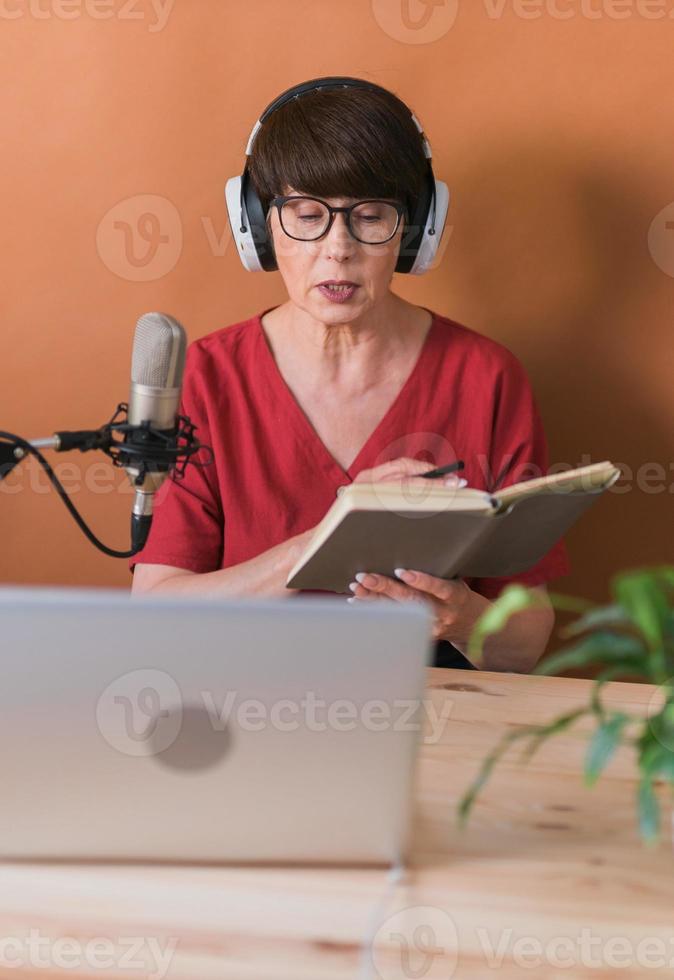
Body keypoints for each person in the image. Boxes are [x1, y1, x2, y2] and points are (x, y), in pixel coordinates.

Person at [130, 78, 570, 672]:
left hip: (428, 721)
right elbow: (156, 618)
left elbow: (526, 642)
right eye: (306, 215)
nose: (337, 249)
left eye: (370, 217)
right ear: (258, 227)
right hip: (239, 708)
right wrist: (332, 538)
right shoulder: (206, 375)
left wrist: (460, 617)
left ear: (415, 233)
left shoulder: (486, 376)